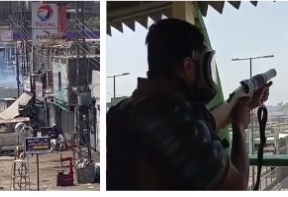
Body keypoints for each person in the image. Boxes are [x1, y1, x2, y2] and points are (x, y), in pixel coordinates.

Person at [107, 18, 271, 190]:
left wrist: (236, 102)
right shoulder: (178, 126)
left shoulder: (124, 110)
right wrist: (238, 126)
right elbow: (238, 187)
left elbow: (206, 122)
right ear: (187, 65)